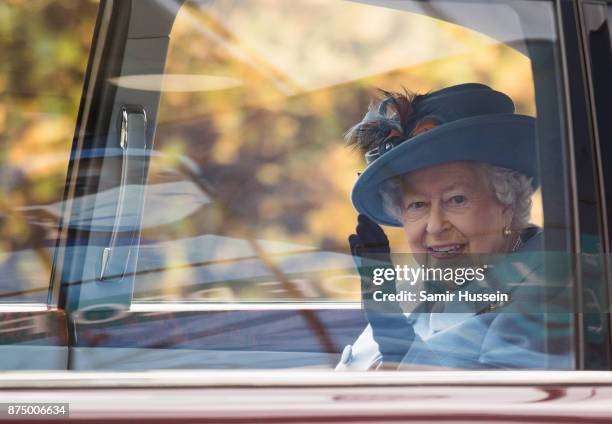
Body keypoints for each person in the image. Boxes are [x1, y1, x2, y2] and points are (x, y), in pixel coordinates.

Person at [337, 83, 573, 370]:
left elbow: (498, 404)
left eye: (456, 199)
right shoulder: (421, 288)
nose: (435, 226)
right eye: (417, 205)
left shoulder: (554, 284)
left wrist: (396, 341)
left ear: (508, 204)